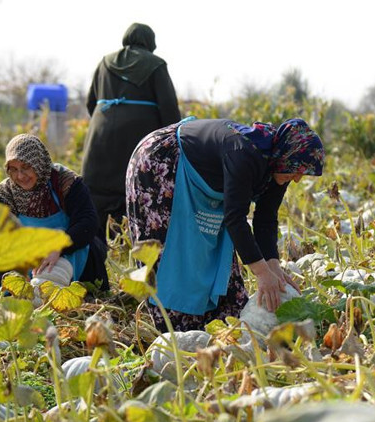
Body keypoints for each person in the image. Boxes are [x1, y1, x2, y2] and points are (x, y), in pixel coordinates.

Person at [126, 117, 324, 332]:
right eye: (296, 170)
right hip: (161, 162)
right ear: (286, 156)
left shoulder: (280, 163)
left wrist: (273, 266)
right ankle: (171, 328)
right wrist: (261, 272)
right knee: (172, 249)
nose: (296, 179)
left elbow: (266, 219)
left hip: (203, 175)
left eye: (301, 174)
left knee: (213, 247)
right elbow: (235, 218)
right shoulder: (245, 152)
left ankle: (216, 321)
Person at [81, 23, 182, 239]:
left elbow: (91, 103)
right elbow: (169, 109)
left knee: (97, 191)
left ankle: (96, 244)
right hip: (138, 136)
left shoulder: (104, 63)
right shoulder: (156, 65)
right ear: (150, 42)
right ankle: (132, 241)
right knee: (134, 187)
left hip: (100, 134)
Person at [0, 134, 109, 297]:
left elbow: (88, 222)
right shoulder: (3, 195)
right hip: (28, 260)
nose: (20, 176)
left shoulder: (66, 182)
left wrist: (58, 246)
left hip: (71, 250)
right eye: (14, 169)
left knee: (81, 279)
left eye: (26, 167)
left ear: (38, 163)